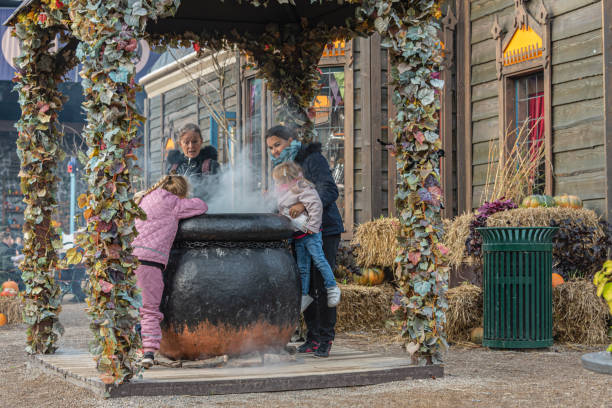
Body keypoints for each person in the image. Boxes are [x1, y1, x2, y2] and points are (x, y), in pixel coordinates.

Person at [266, 125, 344, 358]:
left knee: (321, 282)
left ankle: (325, 337)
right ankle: (312, 335)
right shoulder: (280, 169)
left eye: (278, 145)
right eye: (270, 147)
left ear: (291, 140)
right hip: (300, 233)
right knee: (306, 283)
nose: (275, 151)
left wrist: (303, 205)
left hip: (324, 229)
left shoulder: (312, 160)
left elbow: (329, 190)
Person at [132, 175, 208, 368]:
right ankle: (148, 352)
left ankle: (128, 348)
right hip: (149, 262)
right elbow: (201, 206)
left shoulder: (144, 198)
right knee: (149, 309)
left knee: (132, 307)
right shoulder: (174, 202)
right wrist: (184, 199)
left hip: (129, 259)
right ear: (180, 192)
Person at [272, 162, 341, 313]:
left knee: (319, 260)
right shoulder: (283, 192)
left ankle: (332, 287)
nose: (275, 184)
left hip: (310, 233)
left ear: (285, 178)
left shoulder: (300, 187)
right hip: (298, 235)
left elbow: (315, 205)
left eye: (277, 181)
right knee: (302, 267)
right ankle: (303, 296)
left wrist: (313, 227)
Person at [167, 123, 220, 201]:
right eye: (186, 142)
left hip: (206, 212)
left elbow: (219, 196)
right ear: (180, 144)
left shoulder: (211, 166)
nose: (191, 146)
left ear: (201, 141)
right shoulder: (173, 169)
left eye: (195, 141)